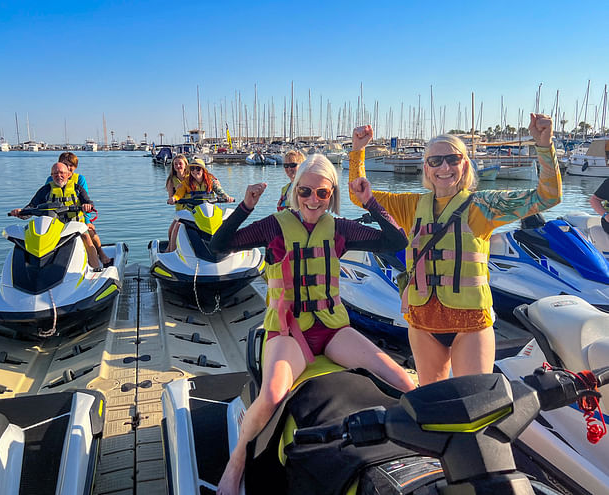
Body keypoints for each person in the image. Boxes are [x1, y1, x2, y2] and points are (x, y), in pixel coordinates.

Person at [211, 153, 416, 495]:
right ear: (295, 191)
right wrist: (245, 207)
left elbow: (397, 242)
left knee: (402, 381)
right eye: (305, 191)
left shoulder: (339, 228)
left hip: (333, 329)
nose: (312, 200)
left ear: (331, 195)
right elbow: (218, 245)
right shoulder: (275, 226)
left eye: (322, 194)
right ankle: (237, 462)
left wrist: (370, 200)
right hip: (288, 330)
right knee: (273, 393)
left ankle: (428, 449)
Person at [348, 114, 562, 386]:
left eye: (453, 159)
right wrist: (358, 151)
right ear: (426, 168)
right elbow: (359, 194)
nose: (444, 167)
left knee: (473, 400)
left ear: (465, 164)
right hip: (423, 323)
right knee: (433, 400)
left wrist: (544, 145)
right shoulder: (410, 206)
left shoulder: (484, 207)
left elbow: (548, 196)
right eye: (435, 161)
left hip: (470, 325)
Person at [10, 162, 101, 269]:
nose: (59, 176)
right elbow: (32, 206)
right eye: (55, 173)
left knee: (87, 238)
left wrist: (87, 206)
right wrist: (21, 212)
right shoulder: (45, 190)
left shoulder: (78, 189)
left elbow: (89, 202)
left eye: (62, 173)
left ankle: (96, 268)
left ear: (68, 174)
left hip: (75, 227)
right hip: (53, 228)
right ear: (51, 176)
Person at [48, 152, 111, 265]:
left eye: (70, 165)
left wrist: (87, 221)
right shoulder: (51, 181)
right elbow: (40, 199)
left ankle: (99, 255)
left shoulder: (79, 181)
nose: (68, 167)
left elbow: (86, 200)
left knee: (89, 233)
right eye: (64, 164)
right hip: (56, 221)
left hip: (77, 218)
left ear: (75, 167)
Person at [166, 158, 234, 251]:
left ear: (203, 170)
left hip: (209, 212)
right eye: (192, 169)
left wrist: (227, 197)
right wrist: (174, 198)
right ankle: (172, 251)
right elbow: (179, 193)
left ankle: (231, 248)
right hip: (192, 213)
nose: (195, 171)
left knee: (227, 222)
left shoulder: (211, 181)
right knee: (178, 226)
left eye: (198, 169)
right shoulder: (186, 182)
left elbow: (219, 191)